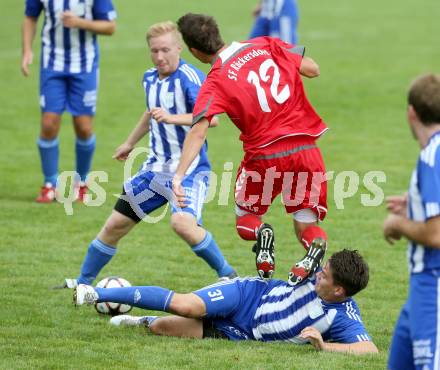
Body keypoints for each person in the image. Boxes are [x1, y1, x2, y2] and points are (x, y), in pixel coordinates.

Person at [60, 21, 236, 289]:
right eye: (154, 51)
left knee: (182, 224)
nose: (160, 57)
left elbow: (211, 120)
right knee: (114, 226)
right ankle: (82, 283)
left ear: (179, 48)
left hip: (188, 171)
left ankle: (228, 275)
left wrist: (172, 118)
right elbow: (150, 112)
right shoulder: (149, 77)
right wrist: (129, 142)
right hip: (154, 171)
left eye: (165, 50)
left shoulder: (192, 78)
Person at [173, 13, 328, 285]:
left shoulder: (215, 80)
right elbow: (313, 69)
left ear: (194, 51)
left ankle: (262, 233)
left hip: (266, 155)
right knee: (306, 221)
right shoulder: (266, 44)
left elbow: (199, 131)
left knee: (248, 216)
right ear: (218, 33)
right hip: (305, 147)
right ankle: (314, 248)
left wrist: (178, 175)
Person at [74, 249, 378, 354]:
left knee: (162, 329)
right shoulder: (314, 270)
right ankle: (94, 293)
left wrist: (325, 346)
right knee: (186, 306)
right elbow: (310, 239)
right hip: (249, 295)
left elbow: (369, 350)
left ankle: (140, 320)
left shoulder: (343, 315)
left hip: (244, 333)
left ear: (339, 291)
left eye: (324, 276)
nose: (317, 276)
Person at [22, 0, 117, 203]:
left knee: (83, 127)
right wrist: (27, 50)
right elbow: (30, 16)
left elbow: (110, 26)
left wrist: (80, 23)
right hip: (52, 65)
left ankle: (81, 183)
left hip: (85, 66)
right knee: (48, 123)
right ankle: (50, 184)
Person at [383, 74, 440, 370]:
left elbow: (435, 235)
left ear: (411, 112)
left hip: (433, 283)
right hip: (419, 291)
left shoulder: (432, 157)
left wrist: (397, 224)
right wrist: (414, 201)